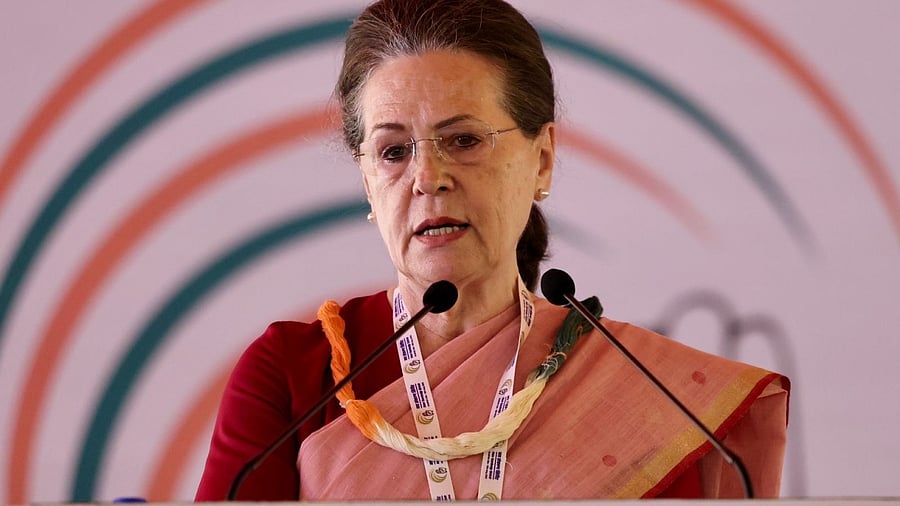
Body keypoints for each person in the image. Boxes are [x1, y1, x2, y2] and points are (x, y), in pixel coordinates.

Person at [195, 0, 789, 501]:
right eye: (394, 152)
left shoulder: (652, 399)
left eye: (463, 140)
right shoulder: (299, 377)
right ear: (367, 181)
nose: (428, 178)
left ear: (542, 159)